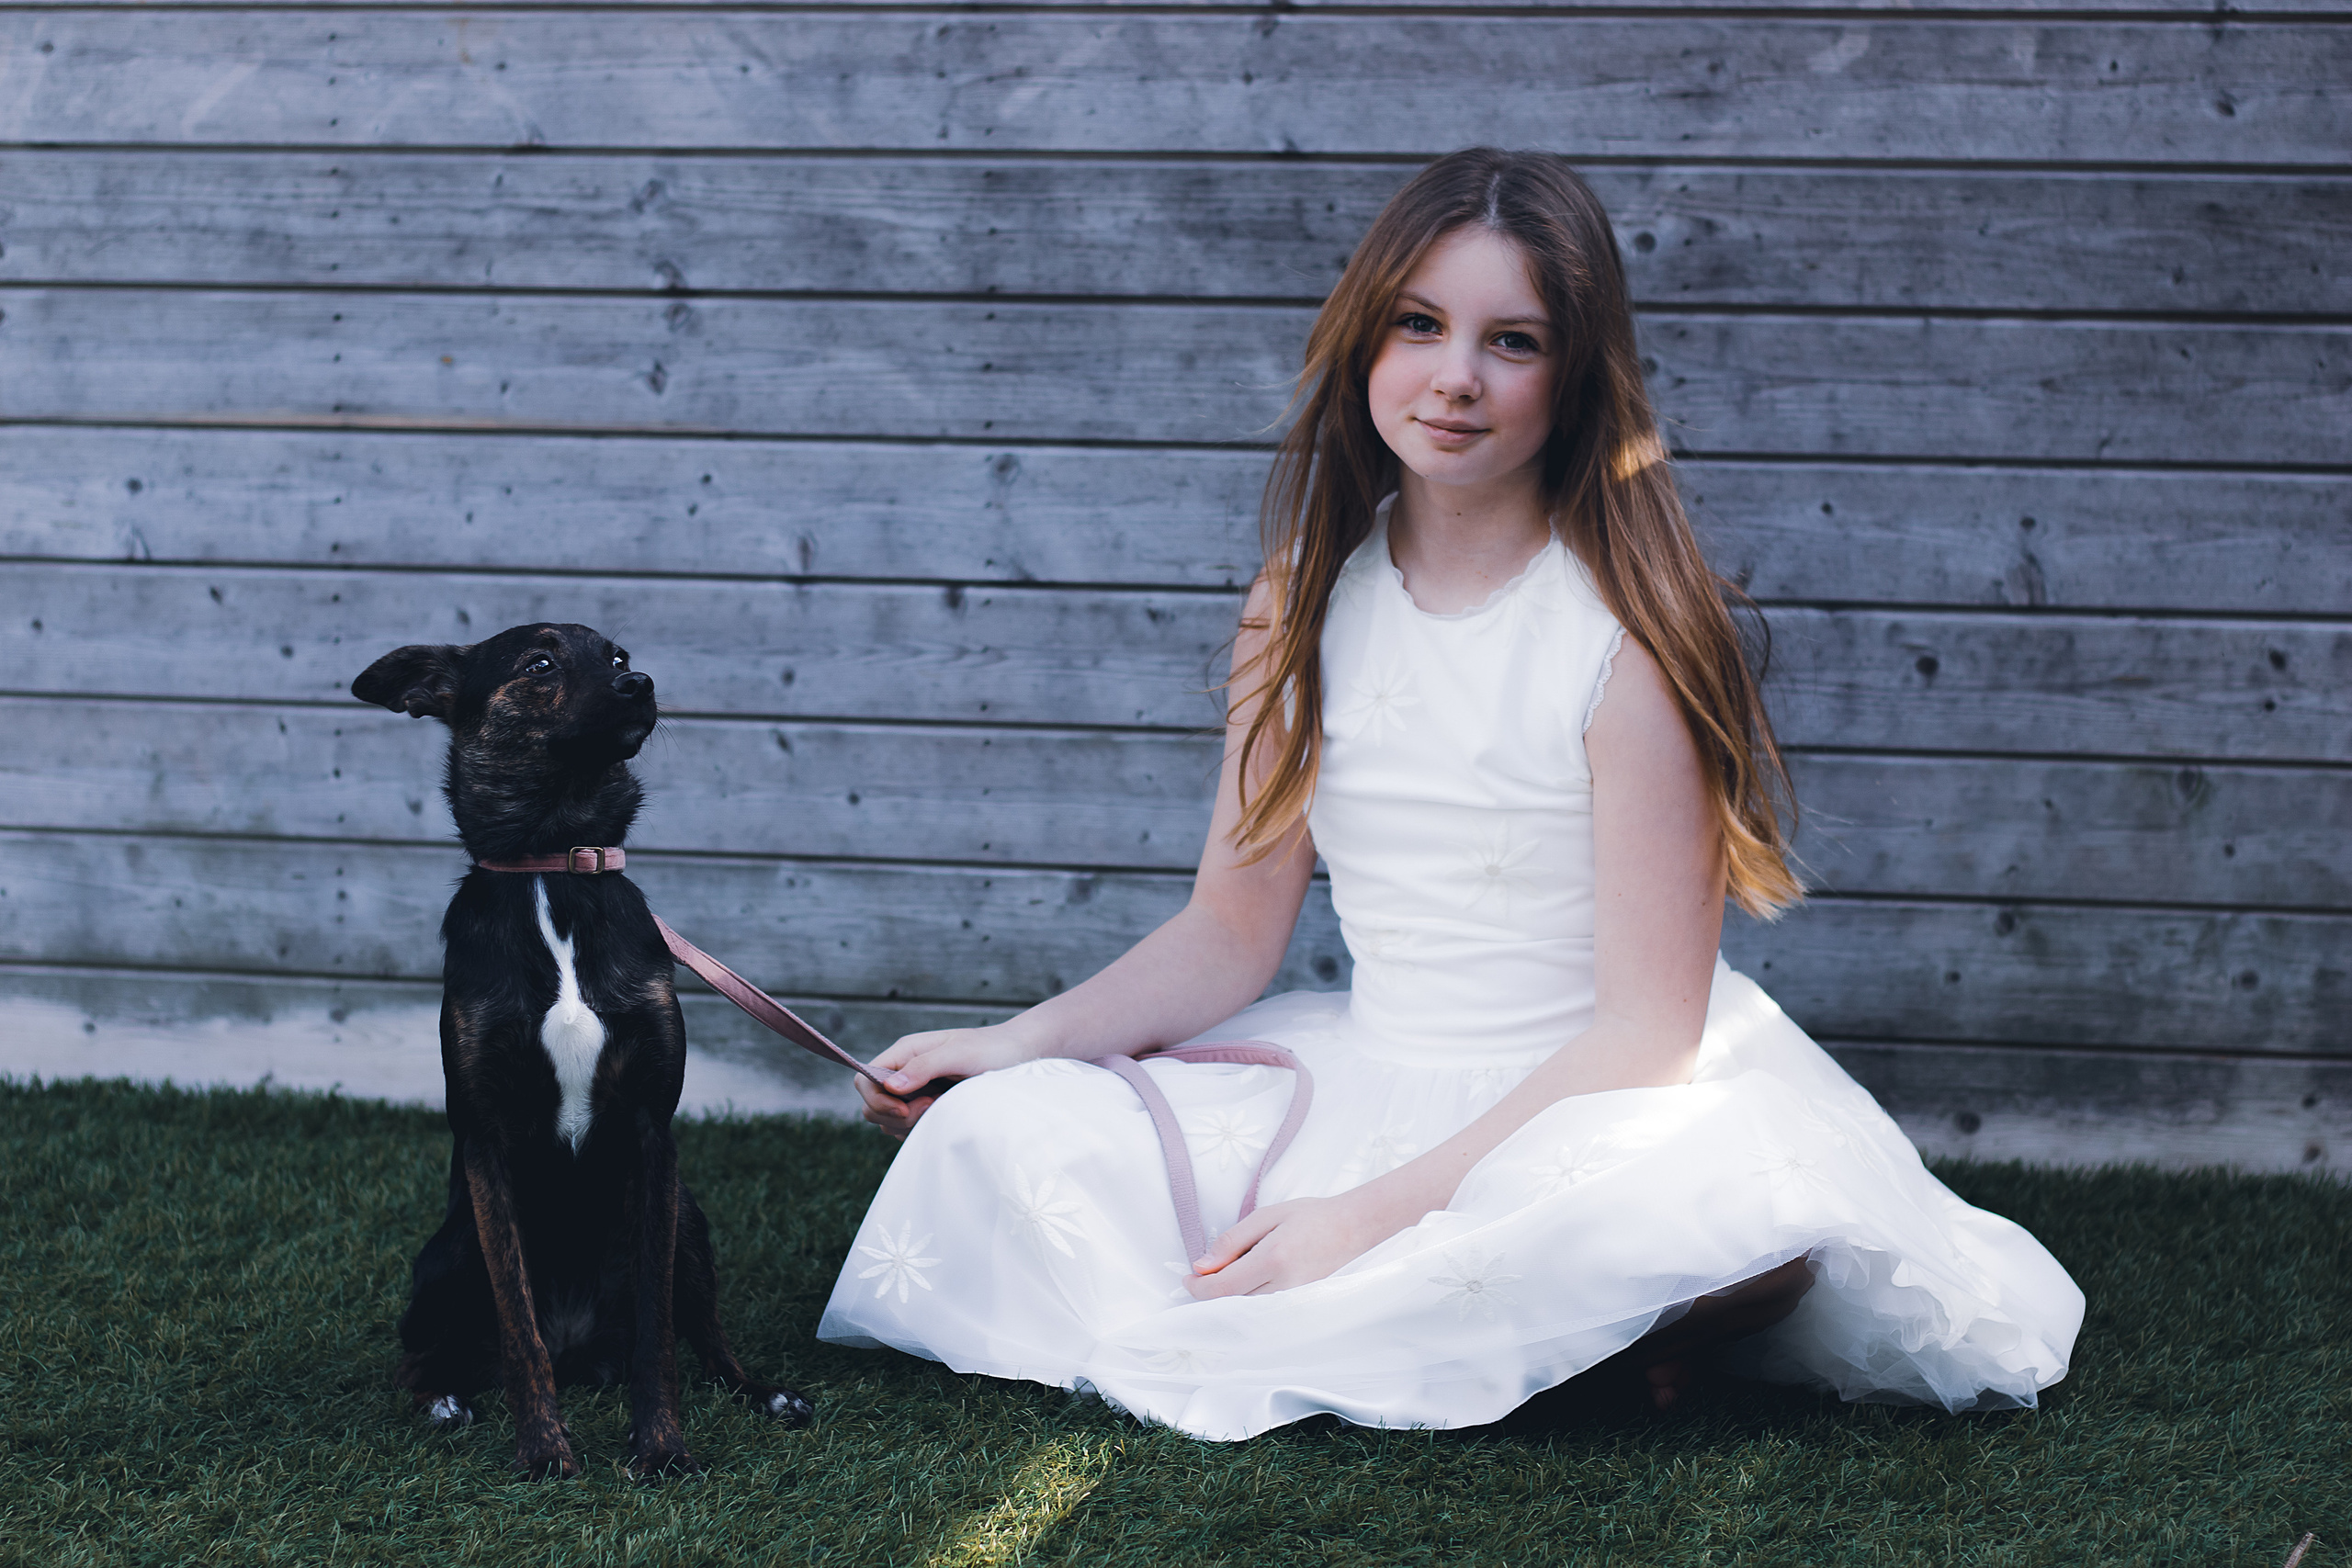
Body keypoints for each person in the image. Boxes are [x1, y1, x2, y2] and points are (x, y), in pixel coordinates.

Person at [816, 148, 2084, 1441]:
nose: (1456, 375)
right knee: (1005, 1132)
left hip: (1593, 1098)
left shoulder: (1628, 638)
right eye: (1419, 325)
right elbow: (1230, 930)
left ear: (1576, 378)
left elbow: (1646, 1039)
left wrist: (1359, 1222)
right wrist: (1021, 1043)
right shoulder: (1297, 602)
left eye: (1512, 341)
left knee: (1694, 1216)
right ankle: (1580, 1342)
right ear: (1365, 340)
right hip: (1369, 1071)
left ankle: (1640, 1305)